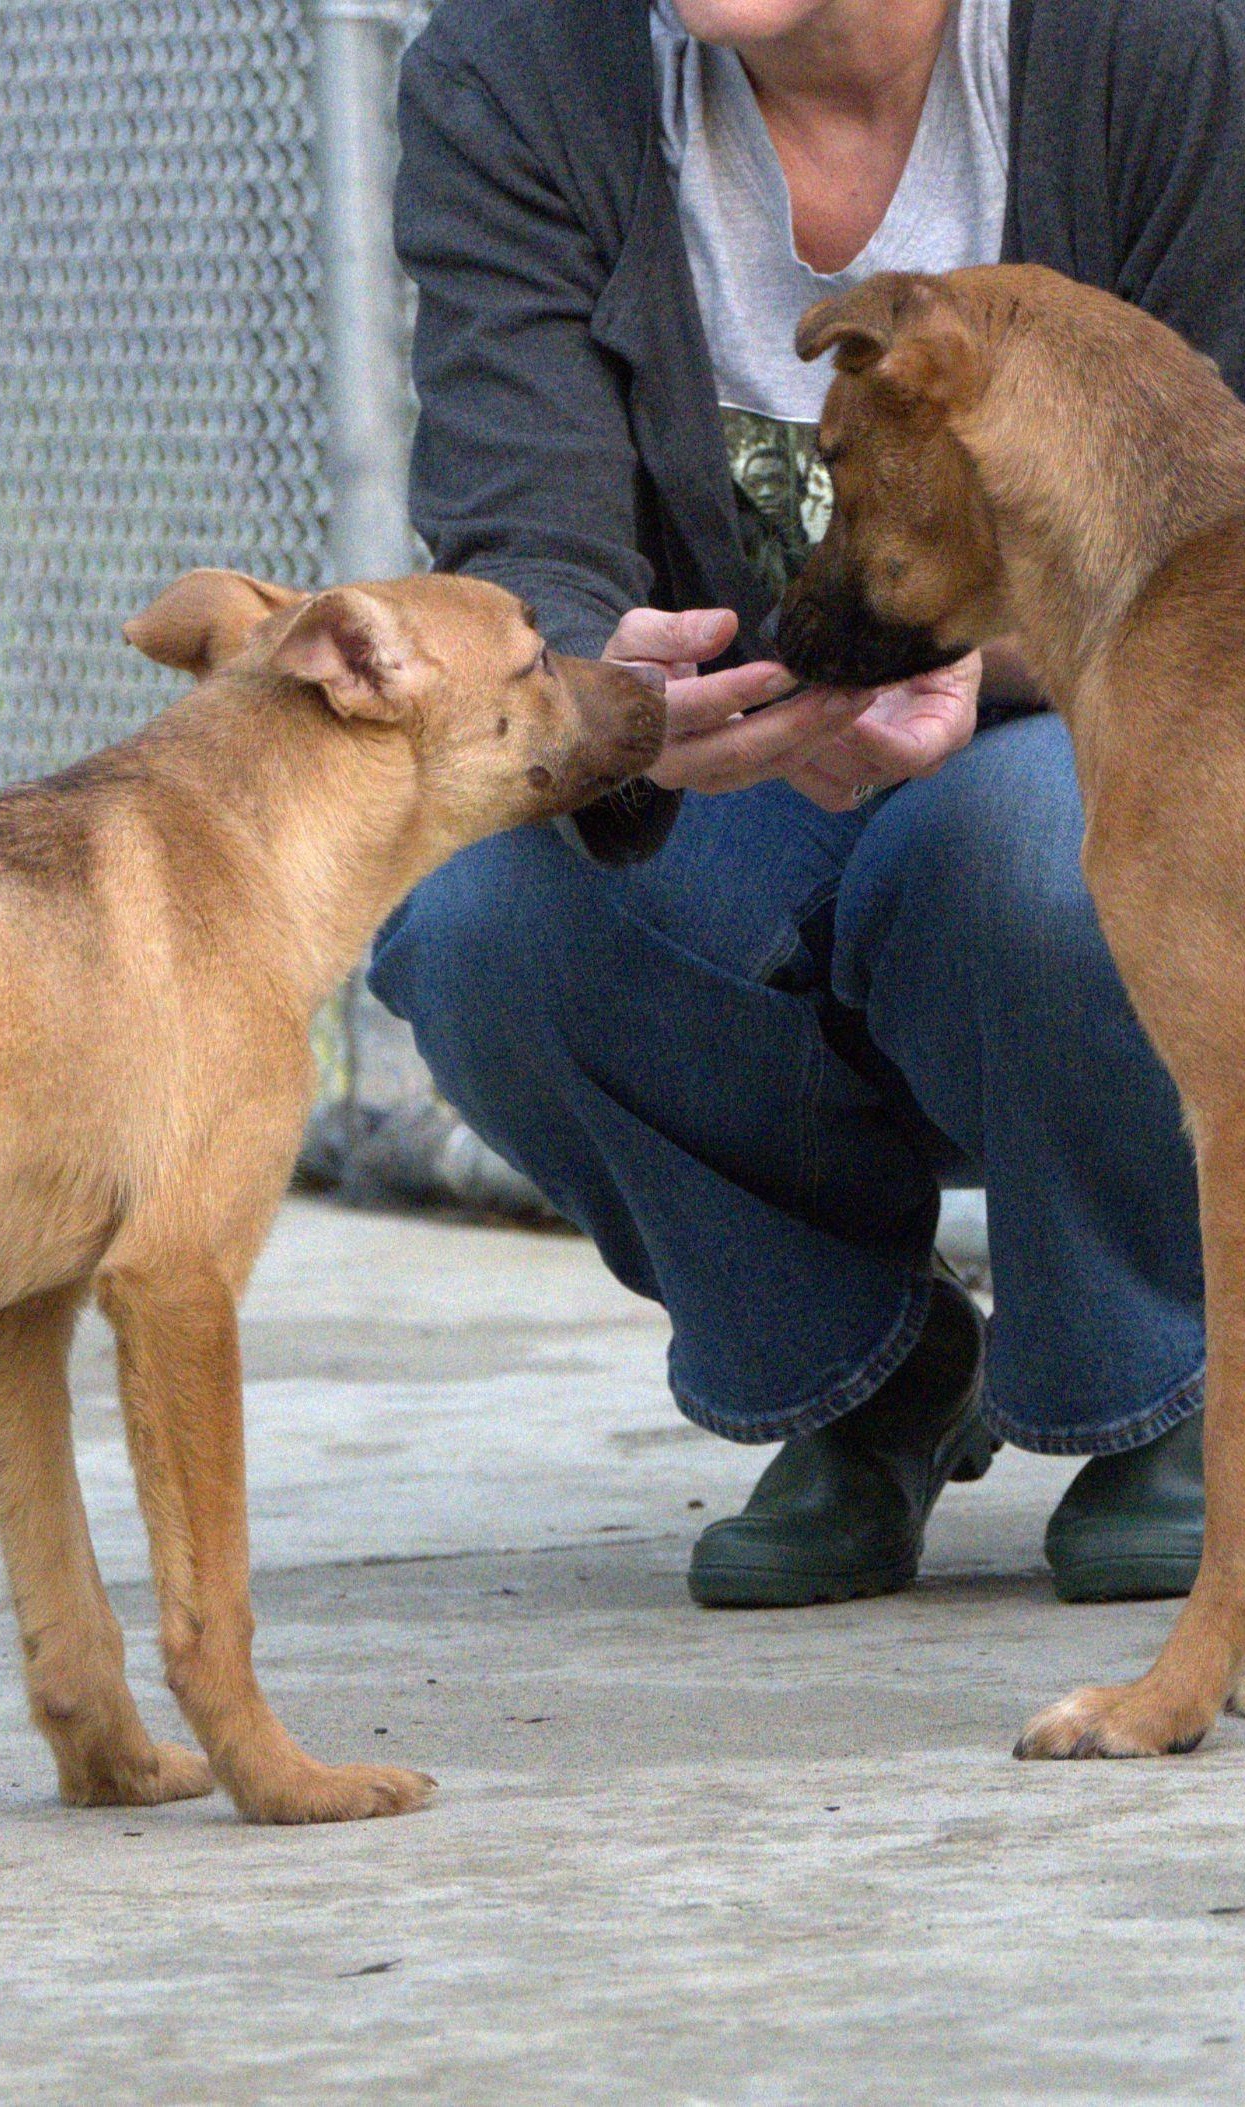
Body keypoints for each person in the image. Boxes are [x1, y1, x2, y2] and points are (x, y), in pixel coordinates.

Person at [370, 0, 1245, 1606]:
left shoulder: (1159, 44)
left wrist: (1007, 663)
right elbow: (521, 520)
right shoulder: (515, 71)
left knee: (1043, 852)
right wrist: (600, 701)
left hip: (1062, 731)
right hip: (730, 774)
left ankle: (1164, 1385)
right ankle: (869, 1376)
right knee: (467, 914)